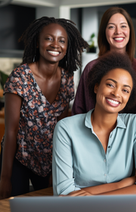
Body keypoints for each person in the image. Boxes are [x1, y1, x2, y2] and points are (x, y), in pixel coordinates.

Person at [0, 16, 88, 199]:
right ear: (38, 42)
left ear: (67, 47)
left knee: (50, 204)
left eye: (62, 40)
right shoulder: (20, 77)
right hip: (19, 157)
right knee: (13, 205)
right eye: (49, 38)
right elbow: (11, 131)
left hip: (48, 159)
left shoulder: (66, 78)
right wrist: (5, 178)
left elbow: (61, 128)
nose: (55, 44)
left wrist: (58, 169)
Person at [52, 52, 136, 197]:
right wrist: (124, 183)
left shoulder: (135, 125)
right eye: (110, 84)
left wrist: (93, 196)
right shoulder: (65, 129)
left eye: (125, 90)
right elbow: (64, 193)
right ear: (96, 87)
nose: (116, 93)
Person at [72, 7, 136, 116]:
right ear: (104, 32)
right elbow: (78, 110)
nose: (118, 31)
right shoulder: (91, 68)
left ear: (130, 31)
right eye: (111, 27)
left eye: (123, 26)